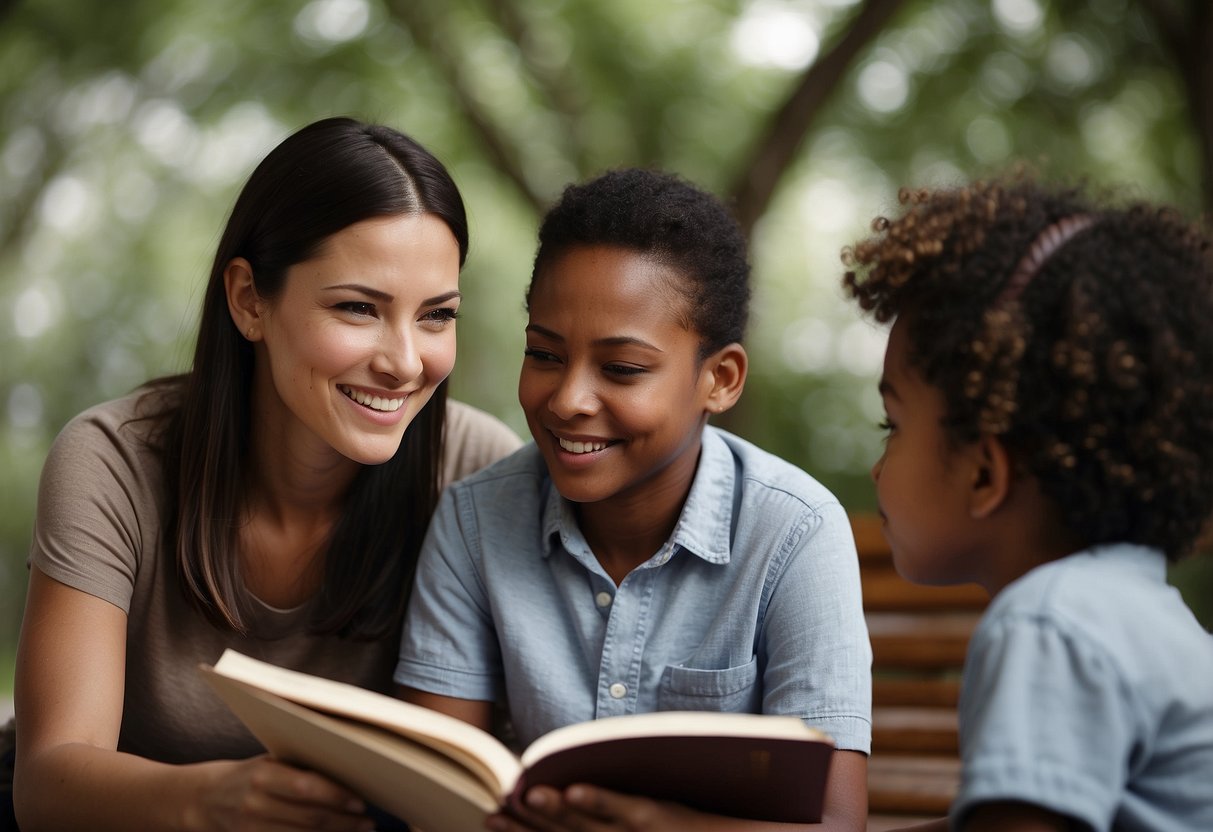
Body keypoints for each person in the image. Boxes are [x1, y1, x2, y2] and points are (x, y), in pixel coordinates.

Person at [4, 116, 522, 831]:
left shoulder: (478, 473)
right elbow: (49, 780)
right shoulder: (111, 462)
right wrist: (206, 801)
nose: (405, 361)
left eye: (436, 316)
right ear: (250, 300)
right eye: (358, 308)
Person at [395, 168, 873, 831]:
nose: (567, 400)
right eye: (544, 354)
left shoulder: (794, 533)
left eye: (621, 369)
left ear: (720, 379)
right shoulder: (475, 520)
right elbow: (435, 798)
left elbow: (835, 823)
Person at [842, 173, 1213, 831]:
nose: (876, 467)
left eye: (892, 426)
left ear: (985, 472)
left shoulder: (1047, 625)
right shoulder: (1139, 612)